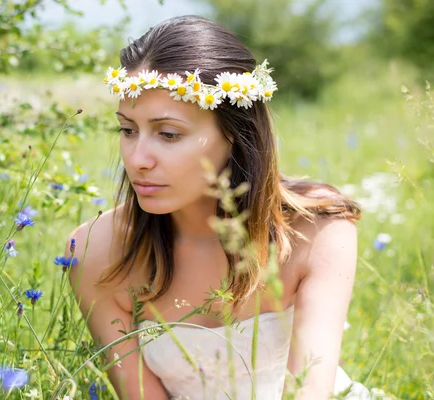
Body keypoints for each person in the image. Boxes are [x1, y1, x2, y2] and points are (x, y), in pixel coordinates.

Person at [66, 15, 371, 400]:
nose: (138, 158)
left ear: (234, 134)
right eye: (128, 130)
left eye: (168, 134)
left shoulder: (318, 230)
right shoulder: (97, 252)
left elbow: (311, 390)